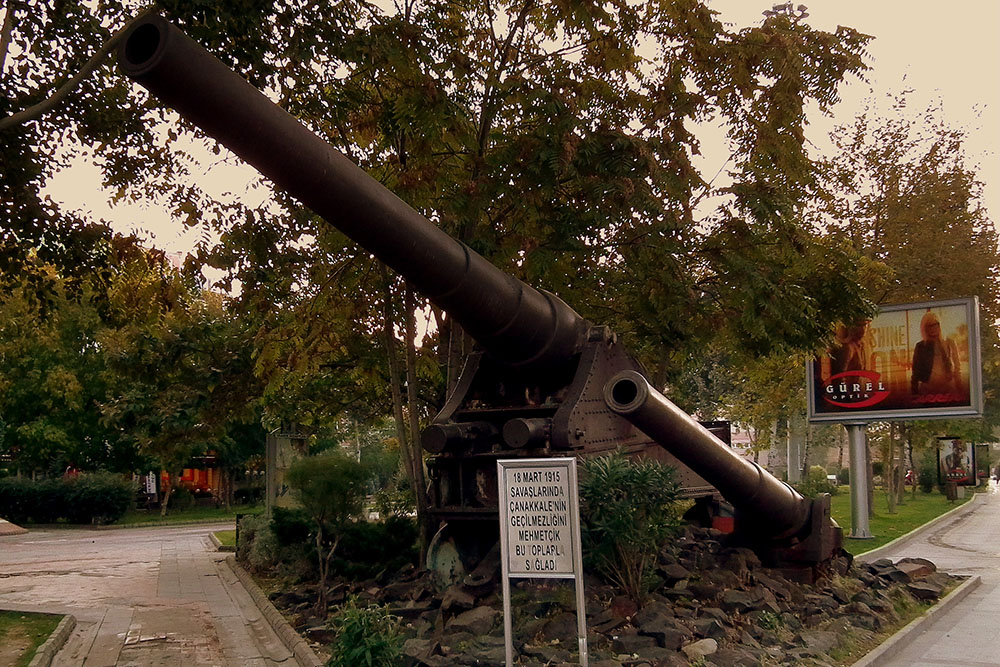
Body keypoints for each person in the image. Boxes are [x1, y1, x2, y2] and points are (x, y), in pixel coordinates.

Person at [910, 311, 960, 395]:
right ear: (924, 328)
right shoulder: (920, 346)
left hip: (948, 388)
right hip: (927, 389)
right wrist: (914, 392)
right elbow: (915, 371)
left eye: (934, 325)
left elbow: (957, 368)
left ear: (939, 325)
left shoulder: (949, 343)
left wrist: (959, 387)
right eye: (929, 326)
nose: (932, 328)